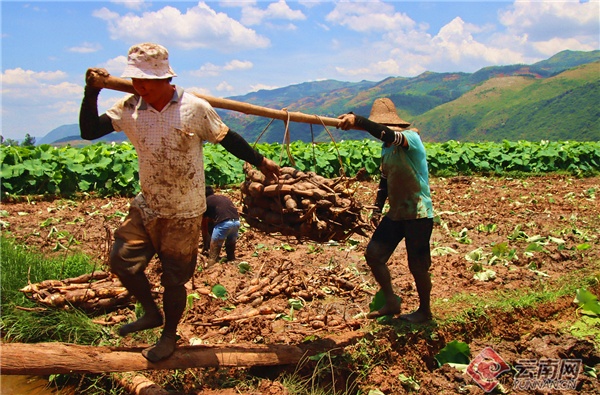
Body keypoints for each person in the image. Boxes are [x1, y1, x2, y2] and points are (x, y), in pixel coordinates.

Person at [79, 43, 279, 362]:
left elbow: (227, 138)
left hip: (185, 212)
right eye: (135, 79)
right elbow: (88, 132)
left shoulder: (194, 108)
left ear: (165, 79)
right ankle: (150, 312)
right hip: (147, 206)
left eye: (146, 80)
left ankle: (169, 335)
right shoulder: (129, 107)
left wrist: (261, 161)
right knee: (121, 260)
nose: (139, 86)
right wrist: (91, 93)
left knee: (174, 280)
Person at [337, 98, 434, 323]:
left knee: (418, 266)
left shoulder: (410, 138)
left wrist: (358, 120)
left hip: (418, 213)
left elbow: (387, 135)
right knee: (374, 254)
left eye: (379, 126)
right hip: (397, 213)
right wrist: (378, 209)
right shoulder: (386, 148)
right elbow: (385, 179)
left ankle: (425, 312)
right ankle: (391, 300)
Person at [201, 186, 241, 266]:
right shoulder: (221, 198)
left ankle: (211, 267)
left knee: (213, 255)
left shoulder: (206, 202)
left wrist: (206, 246)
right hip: (236, 222)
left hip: (224, 224)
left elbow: (204, 227)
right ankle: (232, 261)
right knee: (230, 250)